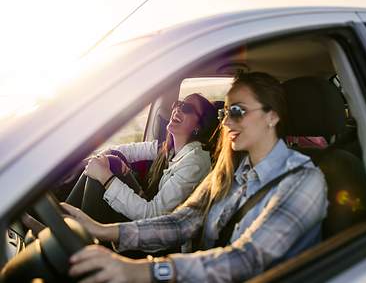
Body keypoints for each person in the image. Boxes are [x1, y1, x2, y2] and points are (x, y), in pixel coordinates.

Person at [63, 72, 328, 282]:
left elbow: (245, 261)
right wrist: (104, 230)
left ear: (271, 117)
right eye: (225, 113)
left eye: (238, 112)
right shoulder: (232, 172)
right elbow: (181, 222)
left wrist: (143, 271)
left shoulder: (305, 181)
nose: (225, 124)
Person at [66, 93, 219, 223]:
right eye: (178, 104)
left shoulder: (195, 163)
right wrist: (105, 158)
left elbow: (153, 215)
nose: (178, 109)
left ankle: (66, 226)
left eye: (186, 108)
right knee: (111, 159)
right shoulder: (169, 149)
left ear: (199, 126)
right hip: (146, 212)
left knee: (104, 170)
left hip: (156, 235)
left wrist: (106, 178)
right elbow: (126, 150)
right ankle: (65, 222)